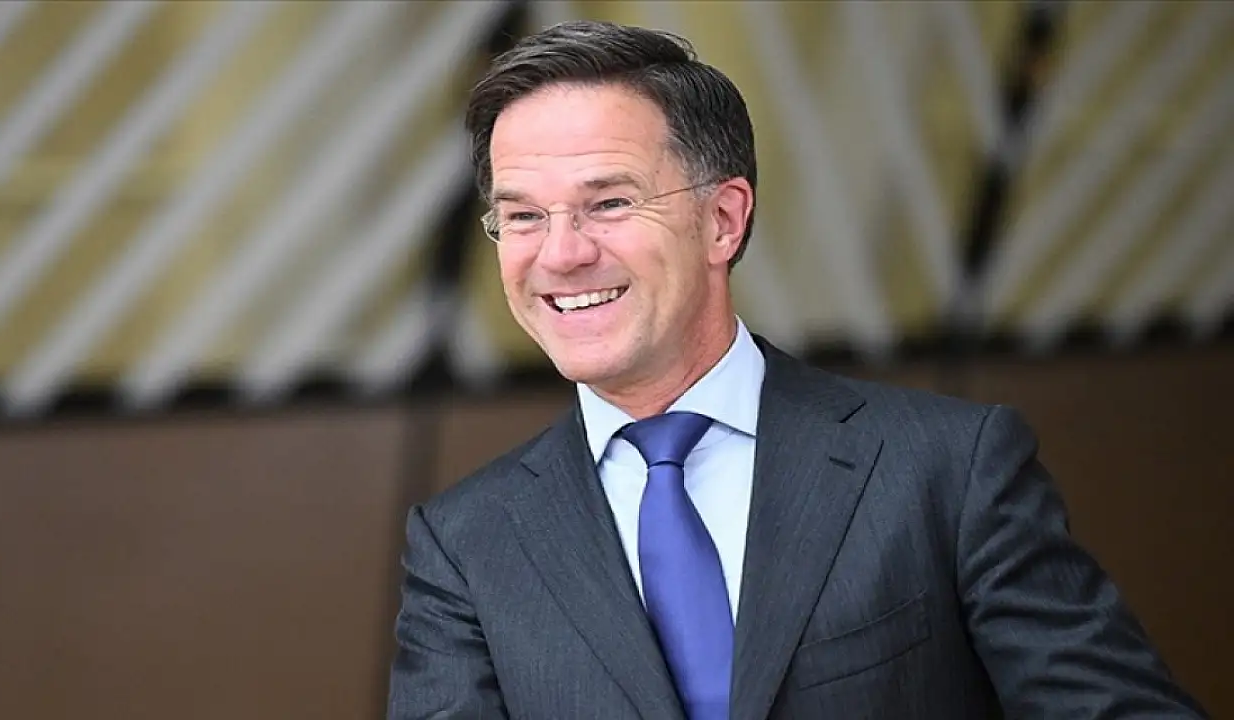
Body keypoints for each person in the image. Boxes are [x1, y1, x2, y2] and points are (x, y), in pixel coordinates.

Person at [386, 19, 1207, 720]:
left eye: (609, 203)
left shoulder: (945, 470)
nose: (561, 253)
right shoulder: (466, 544)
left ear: (723, 219)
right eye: (524, 216)